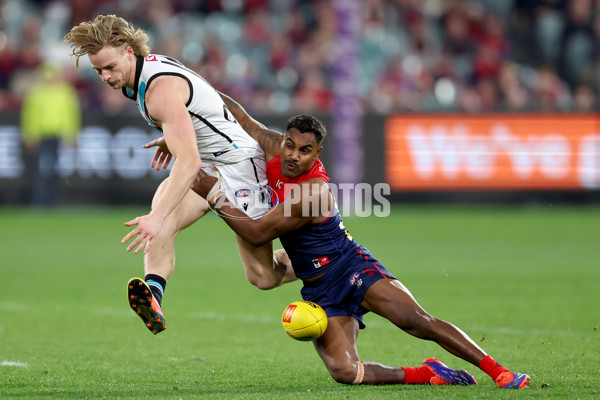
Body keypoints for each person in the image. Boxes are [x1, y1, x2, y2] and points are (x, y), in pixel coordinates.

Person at [185, 95, 531, 388]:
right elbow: (240, 118)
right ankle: (427, 373)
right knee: (345, 372)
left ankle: (500, 373)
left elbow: (258, 232)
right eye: (290, 145)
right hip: (319, 288)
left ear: (317, 153)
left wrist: (212, 192)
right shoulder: (275, 149)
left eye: (304, 151)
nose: (293, 155)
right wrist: (193, 90)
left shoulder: (313, 191)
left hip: (350, 268)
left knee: (416, 321)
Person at [64, 15, 296, 335]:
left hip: (241, 166)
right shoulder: (146, 71)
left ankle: (321, 258)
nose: (105, 76)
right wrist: (174, 135)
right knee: (159, 223)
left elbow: (188, 163)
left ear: (129, 52)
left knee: (263, 277)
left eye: (110, 67)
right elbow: (204, 101)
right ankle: (154, 297)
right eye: (98, 71)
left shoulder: (157, 89)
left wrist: (159, 212)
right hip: (209, 163)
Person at [20, 62, 81, 206]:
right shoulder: (37, 92)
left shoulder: (64, 91)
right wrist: (31, 136)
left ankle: (54, 200)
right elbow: (29, 116)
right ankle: (40, 200)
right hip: (41, 137)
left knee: (56, 170)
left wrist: (71, 135)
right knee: (41, 172)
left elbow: (71, 116)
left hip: (58, 137)